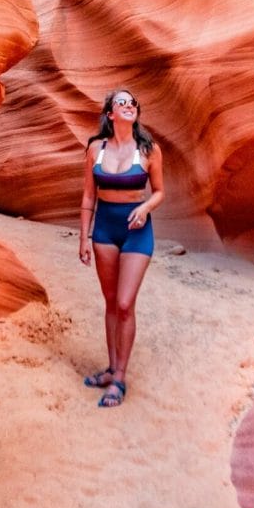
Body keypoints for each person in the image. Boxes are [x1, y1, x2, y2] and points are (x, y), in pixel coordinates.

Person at [77, 88, 165, 407]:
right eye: (121, 103)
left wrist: (145, 208)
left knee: (126, 303)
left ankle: (120, 379)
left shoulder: (149, 149)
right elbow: (88, 196)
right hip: (104, 229)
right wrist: (84, 236)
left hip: (136, 231)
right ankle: (111, 368)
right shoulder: (95, 149)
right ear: (111, 114)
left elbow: (159, 191)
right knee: (111, 301)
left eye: (132, 103)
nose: (128, 107)